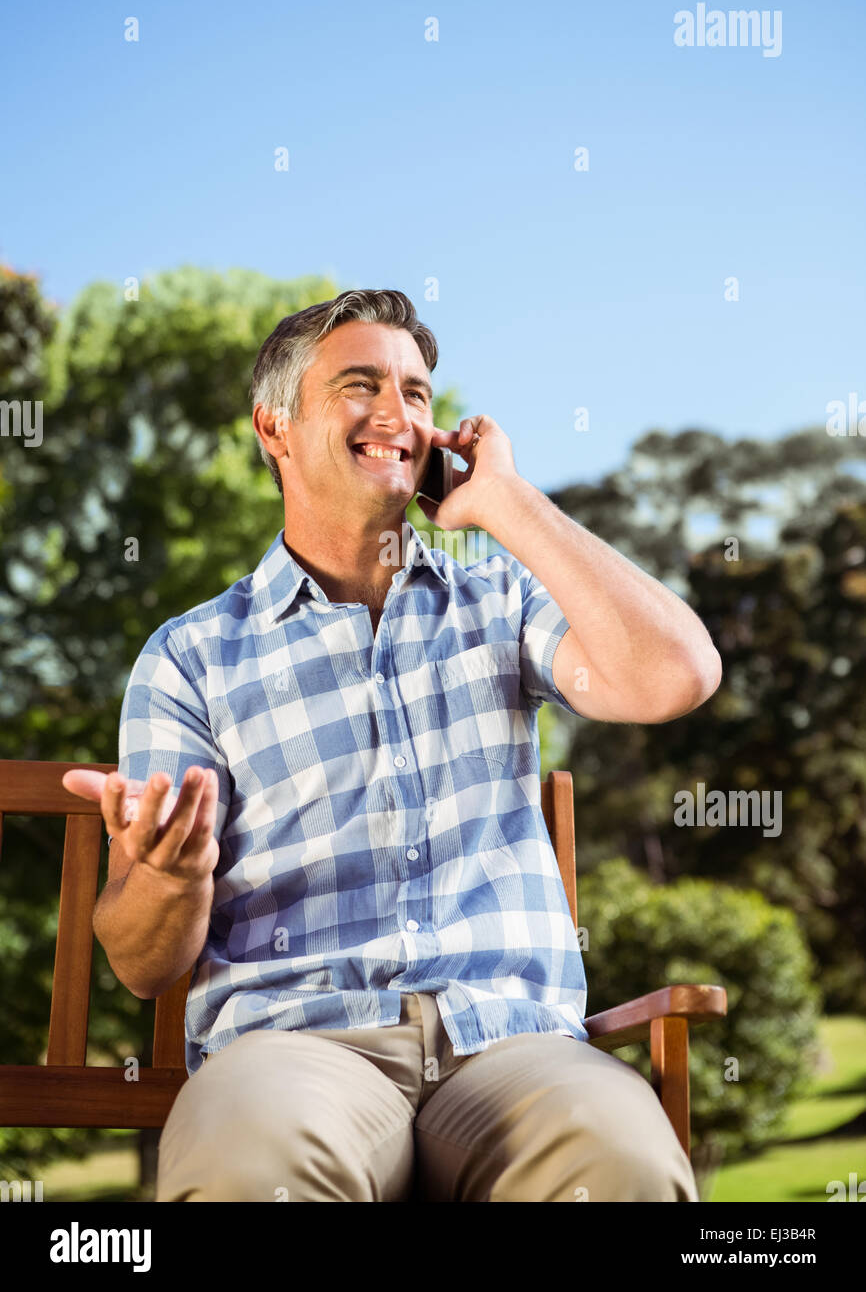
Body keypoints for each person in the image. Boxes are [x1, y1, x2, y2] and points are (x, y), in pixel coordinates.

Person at [63, 288, 722, 1202]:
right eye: (361, 384)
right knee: (253, 1172)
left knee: (622, 1164)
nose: (398, 413)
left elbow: (678, 675)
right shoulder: (192, 656)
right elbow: (141, 964)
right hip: (294, 1047)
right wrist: (170, 878)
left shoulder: (502, 605)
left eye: (417, 393)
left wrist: (511, 506)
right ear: (275, 425)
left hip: (513, 1048)